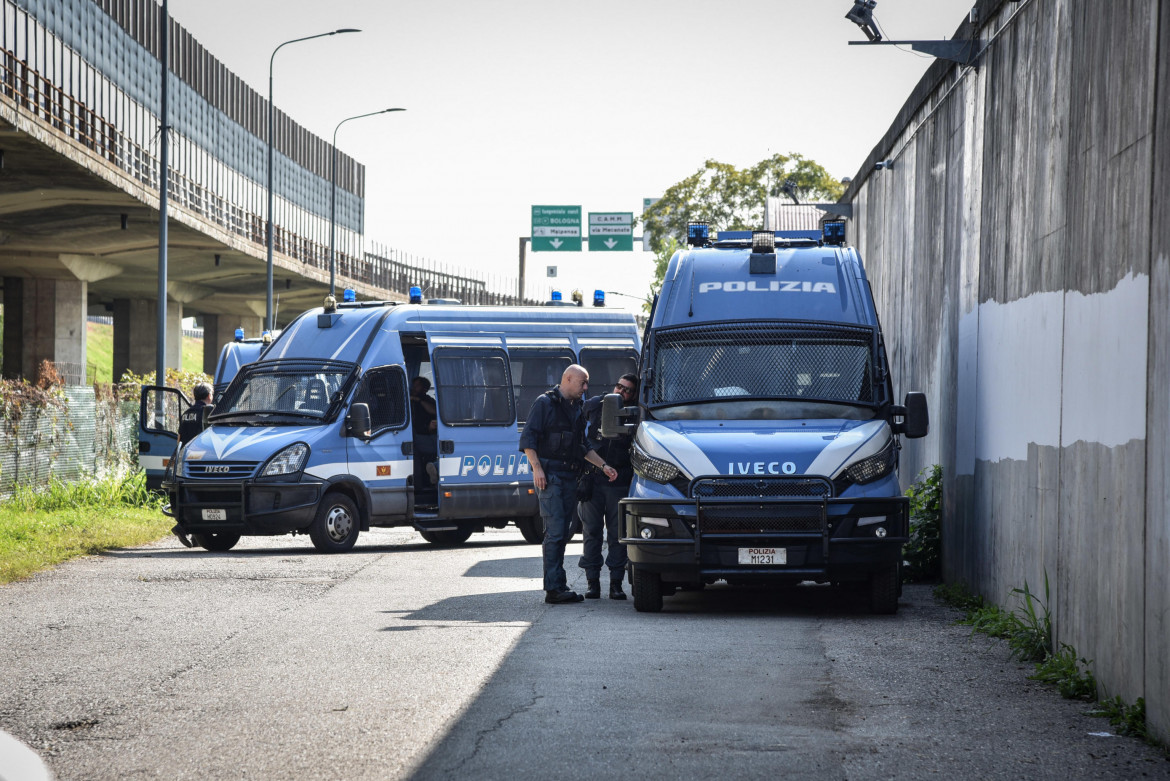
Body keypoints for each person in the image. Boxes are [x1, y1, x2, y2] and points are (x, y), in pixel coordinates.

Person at [520, 364, 617, 604]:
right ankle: (553, 589)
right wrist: (537, 468)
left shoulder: (575, 409)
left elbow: (581, 447)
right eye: (582, 383)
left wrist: (603, 466)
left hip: (568, 477)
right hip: (551, 477)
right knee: (555, 532)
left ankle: (559, 585)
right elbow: (528, 439)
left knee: (563, 532)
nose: (586, 388)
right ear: (568, 379)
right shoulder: (545, 403)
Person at [577, 372, 638, 600]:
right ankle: (593, 583)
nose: (621, 392)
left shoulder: (634, 414)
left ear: (633, 395)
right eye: (619, 386)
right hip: (593, 480)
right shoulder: (594, 406)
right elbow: (580, 439)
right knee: (591, 532)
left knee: (617, 535)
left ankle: (615, 584)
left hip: (619, 482)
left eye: (627, 390)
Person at [410, 376, 438, 487]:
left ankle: (418, 486)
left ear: (425, 389)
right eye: (414, 385)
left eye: (417, 386)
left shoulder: (427, 400)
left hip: (427, 436)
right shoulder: (406, 398)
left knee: (413, 449)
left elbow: (434, 411)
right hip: (412, 434)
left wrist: (419, 400)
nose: (414, 388)